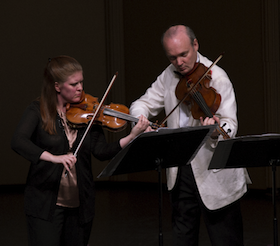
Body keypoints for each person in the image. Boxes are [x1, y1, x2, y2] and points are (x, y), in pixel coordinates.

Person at [130, 25, 250, 246]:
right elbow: (141, 103)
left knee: (226, 240)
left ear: (195, 45)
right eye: (172, 57)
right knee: (183, 238)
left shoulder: (218, 77)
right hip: (181, 170)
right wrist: (141, 120)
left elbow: (230, 124)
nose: (179, 63)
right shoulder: (168, 75)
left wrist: (215, 132)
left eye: (183, 54)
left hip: (216, 173)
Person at [11, 55, 149, 246]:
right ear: (57, 86)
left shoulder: (88, 115)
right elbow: (18, 141)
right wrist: (53, 157)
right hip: (45, 204)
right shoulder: (38, 110)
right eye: (73, 84)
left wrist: (132, 135)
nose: (80, 88)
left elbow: (101, 151)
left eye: (81, 82)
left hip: (79, 205)